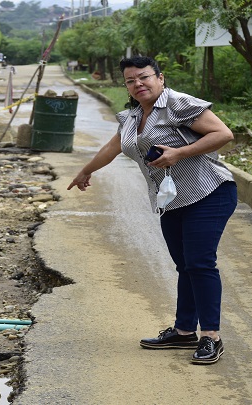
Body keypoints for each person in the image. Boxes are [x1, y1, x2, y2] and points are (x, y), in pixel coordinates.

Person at [67, 55, 237, 365]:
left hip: (210, 193)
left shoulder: (178, 103)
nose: (138, 84)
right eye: (131, 80)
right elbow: (114, 146)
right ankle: (185, 332)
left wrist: (180, 153)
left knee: (200, 264)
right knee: (184, 266)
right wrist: (86, 171)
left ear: (160, 77)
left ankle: (211, 336)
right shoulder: (134, 116)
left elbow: (223, 134)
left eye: (144, 77)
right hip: (172, 199)